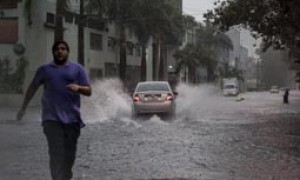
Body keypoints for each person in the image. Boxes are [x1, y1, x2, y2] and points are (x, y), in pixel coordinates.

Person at [16, 40, 92, 180]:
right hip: (51, 119)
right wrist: (23, 108)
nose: (60, 51)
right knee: (56, 153)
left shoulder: (78, 69)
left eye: (63, 49)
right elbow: (32, 88)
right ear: (53, 52)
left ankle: (66, 176)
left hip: (72, 120)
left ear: (68, 52)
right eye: (57, 49)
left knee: (69, 156)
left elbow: (89, 91)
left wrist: (78, 88)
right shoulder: (44, 70)